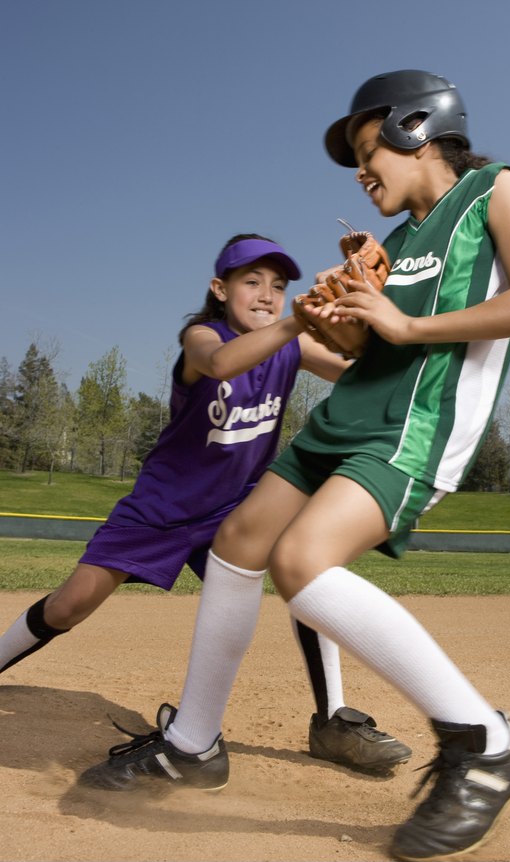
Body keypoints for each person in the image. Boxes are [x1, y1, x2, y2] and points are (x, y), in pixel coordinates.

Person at [81, 70, 510, 862]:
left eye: (371, 149)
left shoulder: (487, 189)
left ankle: (487, 739)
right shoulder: (398, 241)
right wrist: (347, 311)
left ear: (420, 128)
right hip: (347, 417)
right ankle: (192, 744)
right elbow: (358, 347)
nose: (362, 170)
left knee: (301, 562)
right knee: (239, 542)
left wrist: (402, 325)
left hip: (412, 424)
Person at [0, 232, 411, 777]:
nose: (267, 294)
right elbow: (219, 364)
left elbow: (361, 373)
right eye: (252, 282)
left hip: (236, 510)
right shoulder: (201, 337)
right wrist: (297, 320)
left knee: (305, 567)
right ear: (220, 289)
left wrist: (382, 319)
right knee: (69, 606)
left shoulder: (294, 346)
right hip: (163, 506)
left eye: (278, 285)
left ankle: (333, 719)